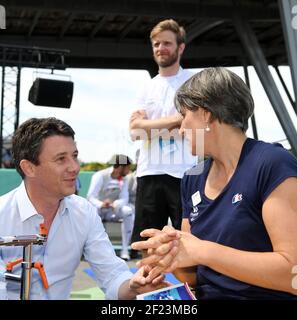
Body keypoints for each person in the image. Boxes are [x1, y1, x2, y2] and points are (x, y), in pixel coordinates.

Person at [132, 67, 297, 299]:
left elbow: (295, 275)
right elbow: (194, 275)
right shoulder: (192, 178)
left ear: (205, 113)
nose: (180, 129)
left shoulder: (272, 163)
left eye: (184, 116)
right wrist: (169, 254)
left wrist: (204, 251)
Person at [0, 117, 167, 300]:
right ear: (29, 168)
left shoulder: (83, 212)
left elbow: (112, 275)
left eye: (74, 156)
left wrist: (134, 286)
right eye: (61, 159)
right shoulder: (2, 215)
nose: (75, 167)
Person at [129, 19, 196, 245]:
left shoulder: (193, 83)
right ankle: (150, 281)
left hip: (185, 172)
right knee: (146, 242)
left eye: (167, 43)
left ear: (180, 47)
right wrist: (176, 120)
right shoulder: (146, 87)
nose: (161, 48)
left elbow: (191, 126)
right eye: (156, 44)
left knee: (187, 240)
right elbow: (134, 132)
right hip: (149, 171)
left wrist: (149, 127)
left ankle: (189, 283)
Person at [86, 154, 134, 261]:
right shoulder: (100, 176)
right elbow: (91, 196)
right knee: (94, 211)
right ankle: (95, 251)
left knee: (128, 211)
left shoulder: (124, 180)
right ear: (121, 167)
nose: (129, 170)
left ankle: (125, 249)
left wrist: (115, 204)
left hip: (113, 210)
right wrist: (101, 204)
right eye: (128, 167)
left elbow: (124, 198)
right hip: (98, 209)